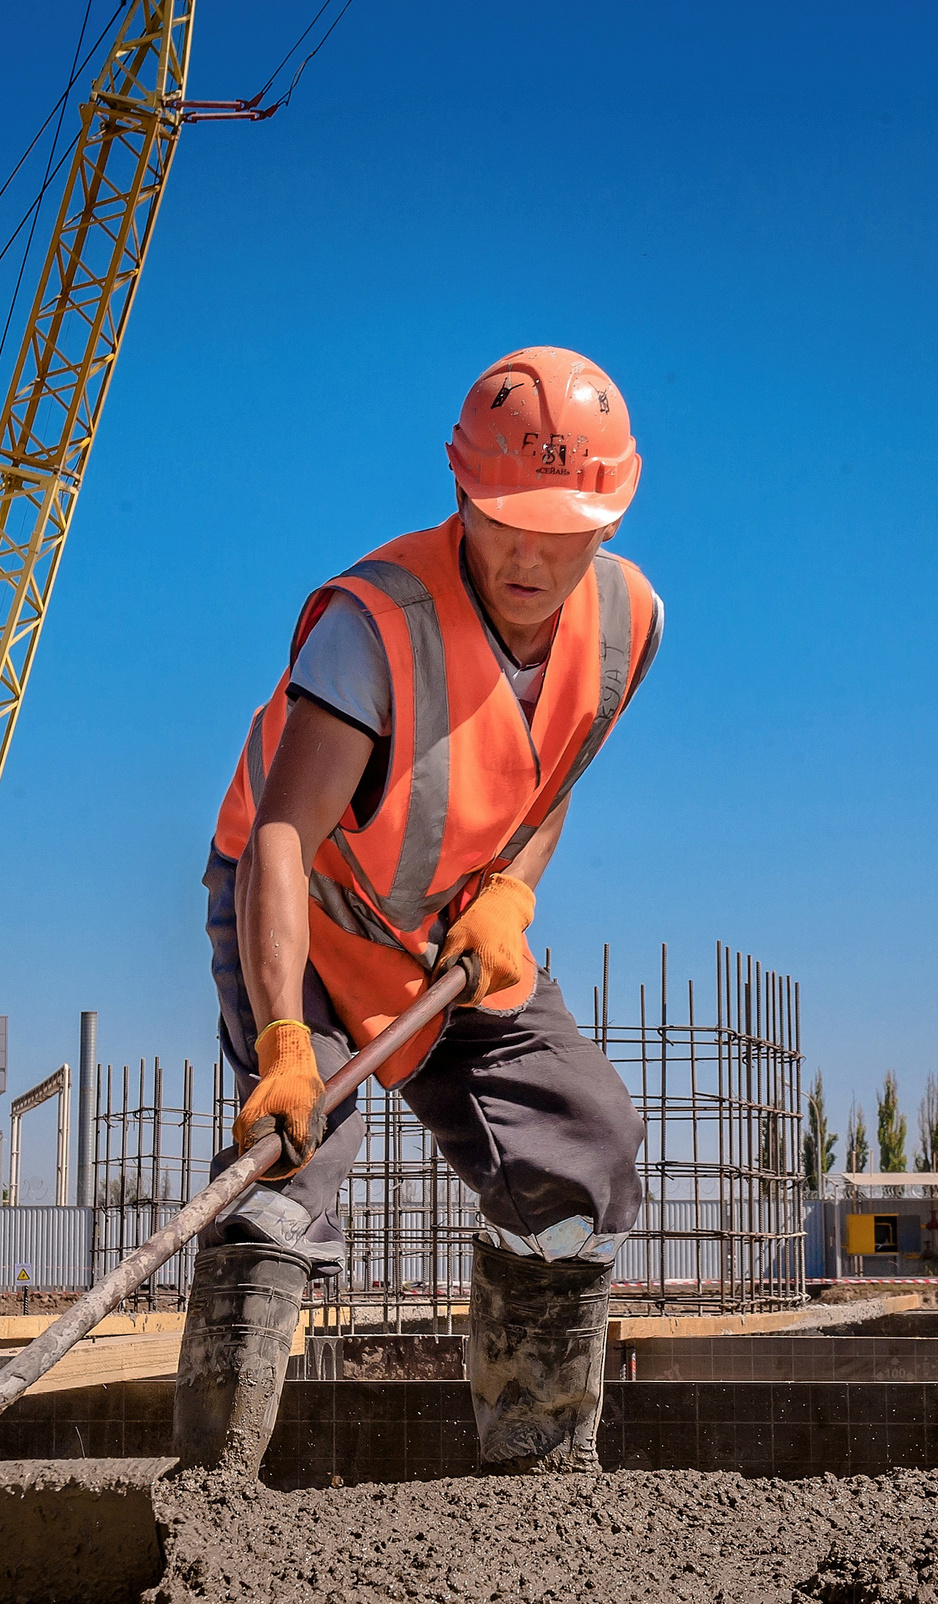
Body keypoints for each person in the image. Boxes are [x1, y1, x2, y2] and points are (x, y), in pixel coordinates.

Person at [186, 347, 664, 1475]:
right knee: (283, 1175)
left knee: (585, 1146)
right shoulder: (374, 624)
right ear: (462, 494)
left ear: (608, 520)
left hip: (450, 927)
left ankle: (535, 1461)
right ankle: (209, 1490)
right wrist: (285, 1040)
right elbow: (283, 836)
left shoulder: (627, 623)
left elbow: (554, 776)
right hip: (303, 915)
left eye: (566, 533)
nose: (532, 559)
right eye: (507, 523)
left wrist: (514, 887)